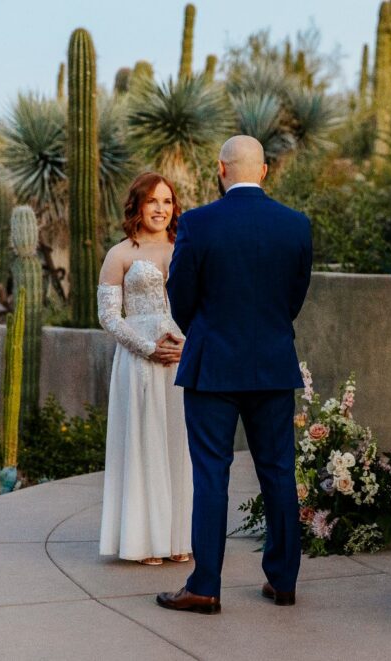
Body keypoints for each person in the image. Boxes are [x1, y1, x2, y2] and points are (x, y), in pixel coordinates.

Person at [157, 135, 313, 615]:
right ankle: (283, 581)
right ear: (263, 172)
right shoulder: (295, 225)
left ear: (221, 169)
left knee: (211, 477)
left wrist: (203, 332)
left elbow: (180, 295)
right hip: (271, 364)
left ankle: (205, 586)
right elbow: (294, 297)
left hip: (212, 368)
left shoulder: (199, 223)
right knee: (279, 474)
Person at [98, 172, 192, 566]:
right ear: (137, 204)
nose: (161, 209)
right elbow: (108, 316)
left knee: (178, 445)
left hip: (180, 360)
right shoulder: (120, 254)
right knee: (143, 445)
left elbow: (204, 305)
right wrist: (148, 349)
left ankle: (177, 538)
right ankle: (143, 541)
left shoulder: (187, 247)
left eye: (167, 201)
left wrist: (187, 345)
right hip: (139, 362)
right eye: (153, 201)